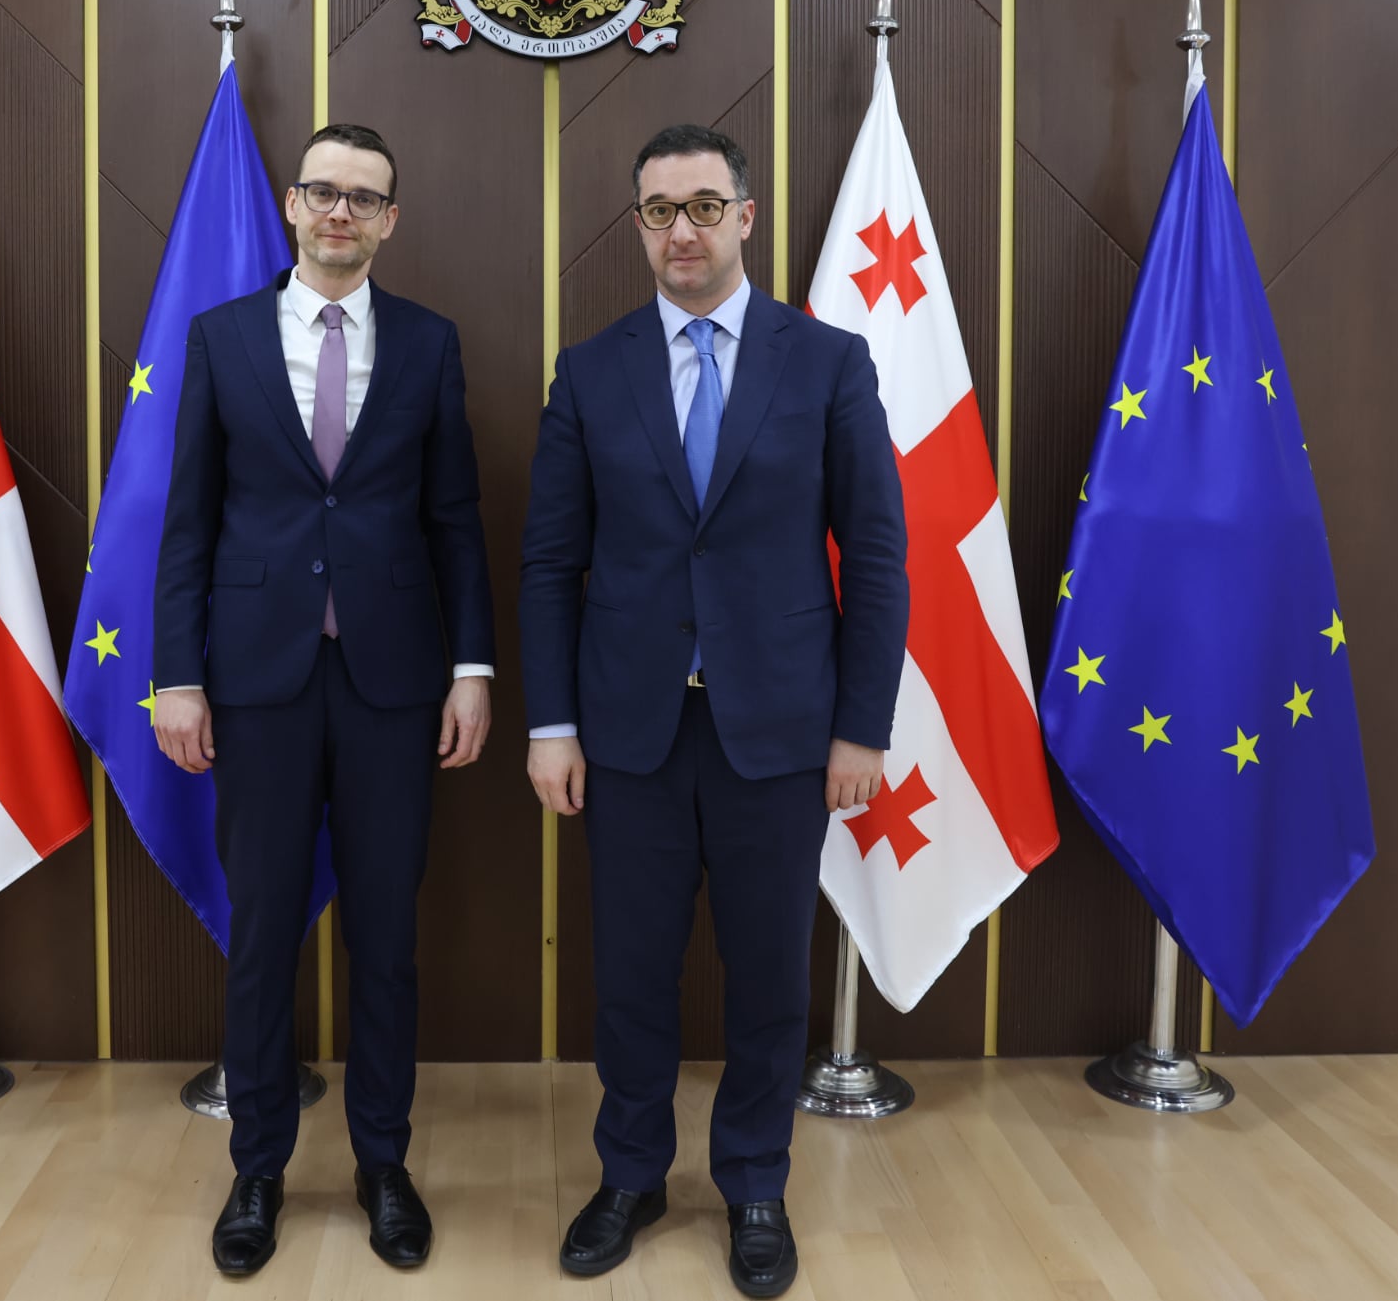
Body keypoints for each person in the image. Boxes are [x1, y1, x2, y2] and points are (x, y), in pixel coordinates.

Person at [519, 125, 909, 1298]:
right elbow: (548, 564)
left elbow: (875, 555)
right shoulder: (589, 370)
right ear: (636, 224)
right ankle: (630, 1174)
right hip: (628, 731)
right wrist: (550, 723)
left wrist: (862, 724)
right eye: (657, 210)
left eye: (700, 205)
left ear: (744, 214)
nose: (678, 230)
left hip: (779, 731)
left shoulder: (826, 361)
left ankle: (752, 1182)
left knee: (768, 977)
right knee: (630, 973)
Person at [153, 123, 497, 1276]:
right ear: (294, 206)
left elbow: (455, 520)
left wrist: (472, 666)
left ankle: (382, 1161)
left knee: (385, 938)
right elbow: (187, 522)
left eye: (362, 196)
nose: (339, 210)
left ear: (389, 220)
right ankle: (257, 1165)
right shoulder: (222, 337)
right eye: (321, 191)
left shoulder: (429, 343)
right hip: (256, 682)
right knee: (261, 934)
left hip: (394, 684)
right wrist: (177, 673)